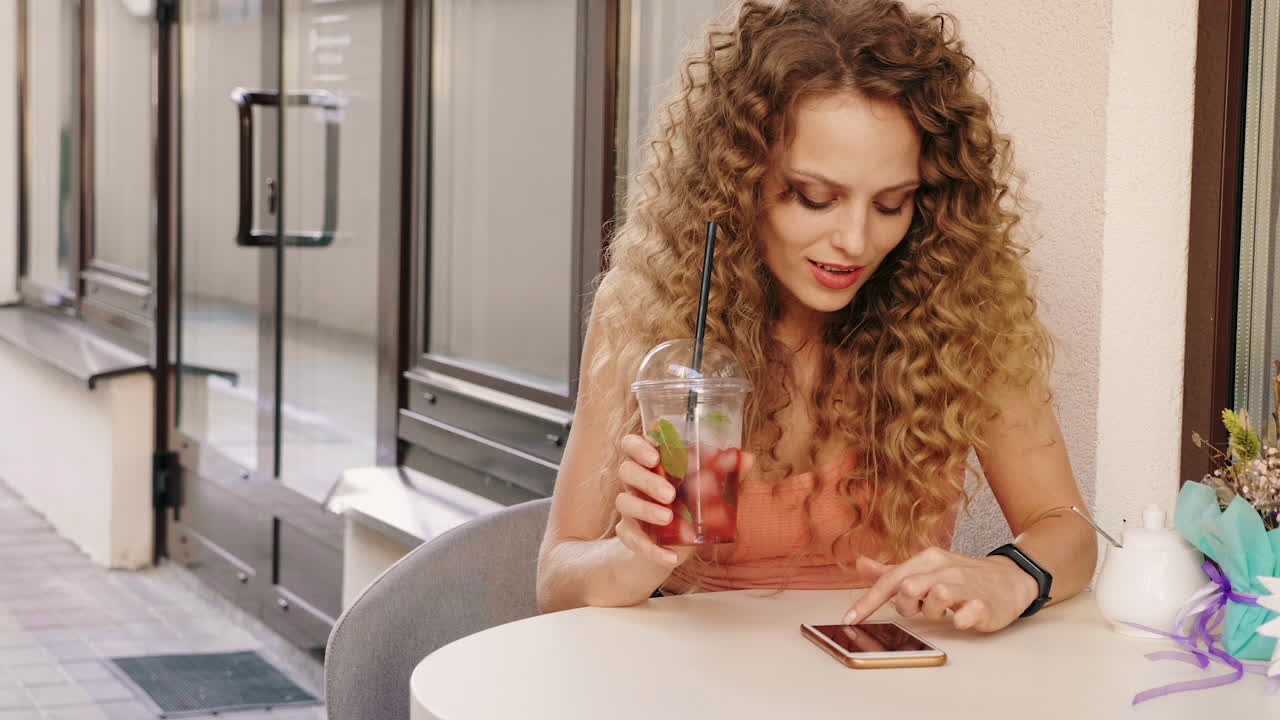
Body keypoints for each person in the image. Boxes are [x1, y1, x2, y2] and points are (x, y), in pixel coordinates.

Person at [536, 0, 1097, 633]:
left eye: (891, 204)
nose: (855, 241)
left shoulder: (963, 314)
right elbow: (556, 579)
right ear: (739, 181)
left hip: (877, 678)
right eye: (815, 198)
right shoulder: (646, 308)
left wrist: (1010, 573)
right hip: (687, 673)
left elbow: (1068, 530)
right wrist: (636, 558)